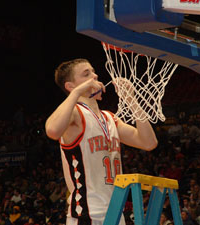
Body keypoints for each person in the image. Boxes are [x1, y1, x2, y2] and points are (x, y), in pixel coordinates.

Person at [45, 58, 158, 225]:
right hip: (88, 213)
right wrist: (77, 93)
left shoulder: (109, 118)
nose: (95, 76)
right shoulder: (75, 113)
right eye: (86, 74)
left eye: (93, 71)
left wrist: (132, 101)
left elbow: (149, 143)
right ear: (70, 86)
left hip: (115, 211)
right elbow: (52, 130)